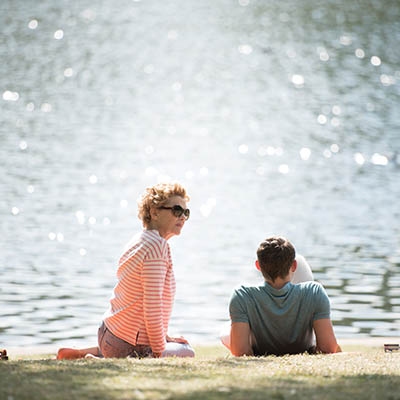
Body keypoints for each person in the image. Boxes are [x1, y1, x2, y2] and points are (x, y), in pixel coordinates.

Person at [57, 182, 195, 359]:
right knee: (187, 352)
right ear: (154, 212)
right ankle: (100, 360)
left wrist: (164, 336)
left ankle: (89, 353)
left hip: (108, 333)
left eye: (186, 212)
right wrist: (160, 350)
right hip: (127, 343)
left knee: (175, 345)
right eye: (177, 210)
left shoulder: (140, 239)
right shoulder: (157, 247)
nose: (182, 217)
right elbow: (152, 304)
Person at [221, 236, 341, 356]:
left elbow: (241, 352)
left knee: (224, 333)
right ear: (294, 265)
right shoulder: (315, 291)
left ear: (258, 266)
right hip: (305, 346)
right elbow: (327, 348)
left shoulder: (242, 295)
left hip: (257, 345)